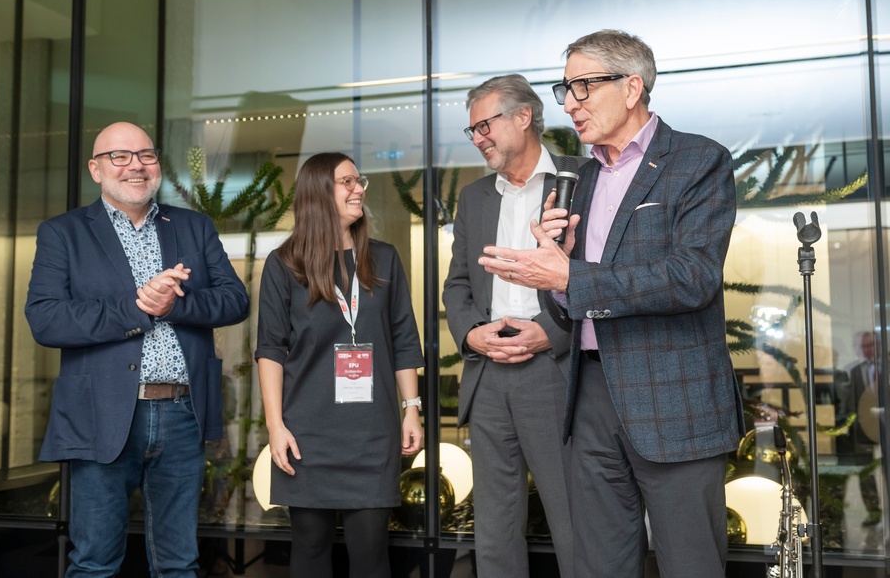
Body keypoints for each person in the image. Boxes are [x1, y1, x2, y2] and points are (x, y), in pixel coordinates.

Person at [477, 30, 745, 576]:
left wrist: (572, 275)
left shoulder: (697, 161)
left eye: (583, 86)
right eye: (565, 89)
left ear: (631, 87)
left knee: (690, 563)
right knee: (598, 564)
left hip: (672, 400)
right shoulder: (581, 176)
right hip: (590, 396)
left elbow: (693, 277)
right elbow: (571, 301)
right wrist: (552, 273)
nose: (570, 103)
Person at [25, 122, 249, 577]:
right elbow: (46, 318)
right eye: (119, 156)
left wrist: (171, 306)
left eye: (145, 155)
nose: (135, 166)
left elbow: (235, 299)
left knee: (179, 563)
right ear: (95, 169)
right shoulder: (63, 233)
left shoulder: (193, 226)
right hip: (100, 415)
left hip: (182, 414)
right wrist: (136, 307)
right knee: (94, 562)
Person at [256, 152, 424, 578]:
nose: (359, 189)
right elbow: (271, 350)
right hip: (307, 432)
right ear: (317, 194)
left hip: (371, 430)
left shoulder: (384, 259)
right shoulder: (284, 265)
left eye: (359, 180)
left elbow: (404, 339)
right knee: (310, 551)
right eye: (346, 182)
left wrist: (412, 409)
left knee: (370, 555)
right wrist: (275, 426)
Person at [442, 74, 576, 578]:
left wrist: (552, 331)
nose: (478, 138)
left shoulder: (582, 179)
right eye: (471, 130)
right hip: (489, 373)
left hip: (554, 372)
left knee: (573, 520)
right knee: (494, 531)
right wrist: (470, 333)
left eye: (485, 125)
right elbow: (457, 284)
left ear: (524, 117)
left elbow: (600, 276)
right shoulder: (474, 198)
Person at [835, 330, 882, 526]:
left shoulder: (886, 366)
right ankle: (874, 513)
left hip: (885, 428)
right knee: (866, 474)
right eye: (862, 347)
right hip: (862, 431)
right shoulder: (854, 371)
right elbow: (850, 403)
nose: (866, 350)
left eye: (869, 345)